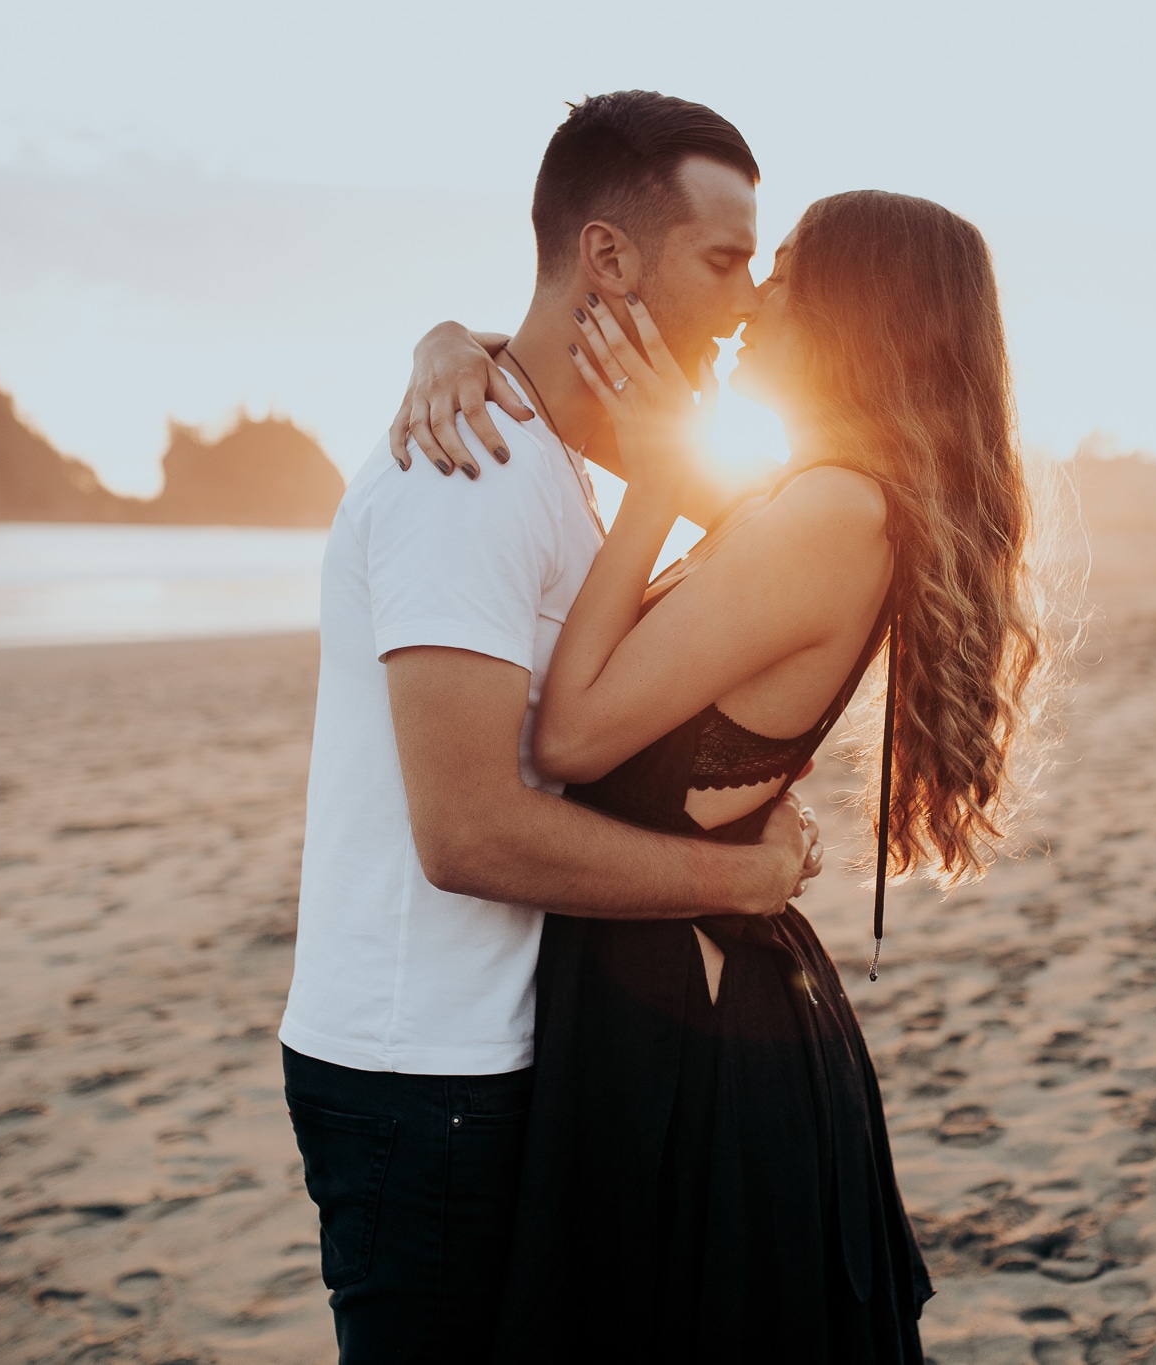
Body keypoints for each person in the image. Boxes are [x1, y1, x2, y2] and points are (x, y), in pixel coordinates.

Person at [393, 186, 1053, 1360]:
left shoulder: (833, 512)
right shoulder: (819, 498)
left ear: (855, 315)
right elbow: (575, 398)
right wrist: (449, 343)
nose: (751, 306)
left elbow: (569, 739)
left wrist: (652, 480)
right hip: (673, 985)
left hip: (686, 1020)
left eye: (787, 278)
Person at [276, 91, 824, 1362]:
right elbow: (466, 832)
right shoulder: (462, 474)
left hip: (505, 1056)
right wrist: (734, 879)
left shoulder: (554, 461)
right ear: (608, 258)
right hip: (425, 1080)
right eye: (724, 257)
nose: (746, 297)